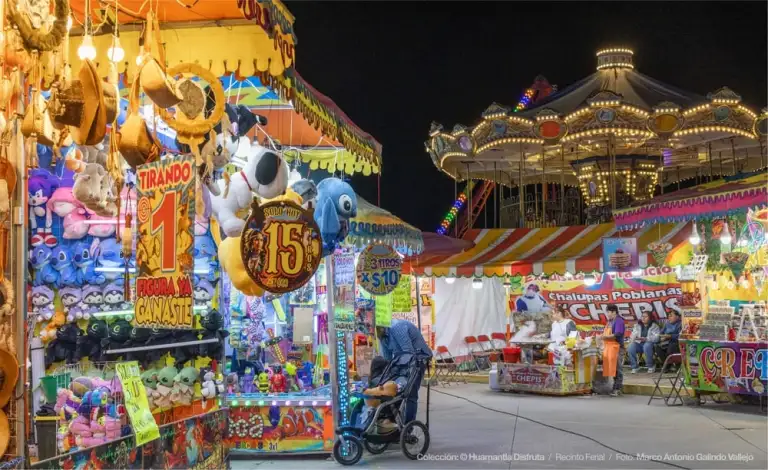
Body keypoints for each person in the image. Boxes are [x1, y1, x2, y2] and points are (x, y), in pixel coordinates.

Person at [376, 320, 432, 423]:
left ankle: (408, 426)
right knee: (393, 389)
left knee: (410, 394)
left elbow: (409, 353)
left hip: (417, 359)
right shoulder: (382, 336)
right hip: (402, 361)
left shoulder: (397, 327)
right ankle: (393, 421)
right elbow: (387, 360)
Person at [601, 304, 625, 397]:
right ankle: (614, 387)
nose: (607, 314)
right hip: (609, 348)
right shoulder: (610, 322)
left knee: (618, 368)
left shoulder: (619, 321)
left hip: (617, 347)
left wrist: (604, 337)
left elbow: (617, 334)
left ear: (614, 312)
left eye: (609, 312)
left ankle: (617, 388)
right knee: (612, 368)